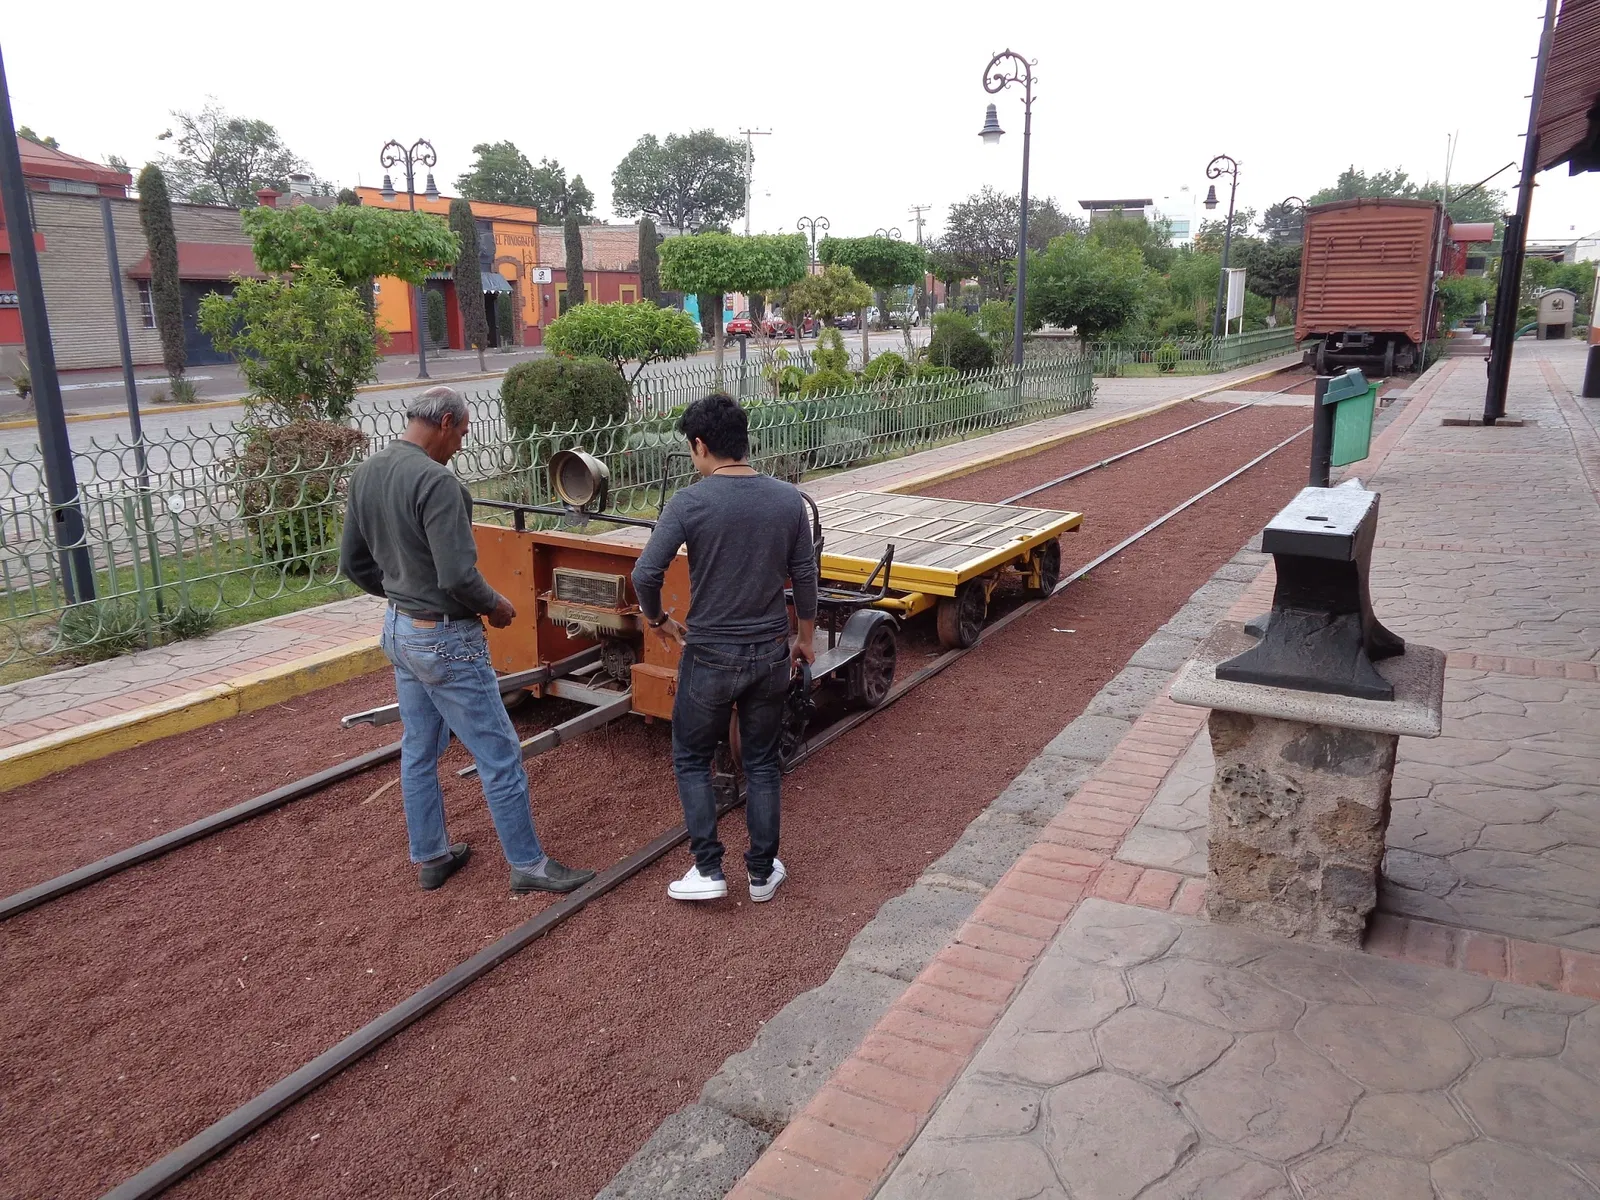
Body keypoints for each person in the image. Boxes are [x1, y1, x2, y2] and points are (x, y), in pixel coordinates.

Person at [340, 386, 595, 896]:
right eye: (463, 431)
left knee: (418, 748)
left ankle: (431, 855)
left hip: (399, 629)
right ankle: (528, 864)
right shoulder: (438, 484)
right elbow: (458, 573)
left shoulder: (367, 473)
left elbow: (353, 564)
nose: (462, 442)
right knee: (498, 752)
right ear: (446, 422)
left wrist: (400, 592)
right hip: (445, 637)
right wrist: (496, 607)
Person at [632, 392, 818, 904]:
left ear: (700, 445)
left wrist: (660, 620)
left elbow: (645, 573)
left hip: (709, 652)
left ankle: (708, 870)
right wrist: (803, 638)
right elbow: (805, 574)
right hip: (769, 652)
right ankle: (762, 873)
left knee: (692, 757)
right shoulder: (787, 500)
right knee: (760, 763)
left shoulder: (690, 502)